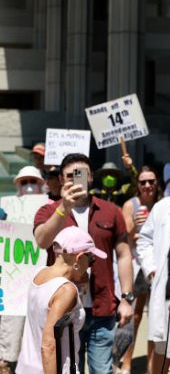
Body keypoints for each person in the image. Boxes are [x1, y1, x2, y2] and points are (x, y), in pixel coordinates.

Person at [33, 153, 134, 374]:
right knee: (69, 369)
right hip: (65, 311)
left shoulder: (111, 211)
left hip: (102, 309)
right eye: (70, 175)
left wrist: (127, 298)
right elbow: (42, 240)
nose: (76, 179)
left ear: (90, 178)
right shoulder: (49, 210)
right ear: (60, 179)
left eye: (82, 174)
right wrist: (64, 208)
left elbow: (124, 254)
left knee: (102, 371)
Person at [16, 226, 107, 374]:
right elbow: (48, 344)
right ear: (79, 257)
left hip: (26, 367)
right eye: (91, 260)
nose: (90, 266)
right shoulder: (66, 290)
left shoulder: (38, 273)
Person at [0, 165, 47, 373]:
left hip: (42, 281)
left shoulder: (51, 207)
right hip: (13, 288)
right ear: (18, 186)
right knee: (9, 348)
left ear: (41, 185)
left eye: (33, 182)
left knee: (39, 341)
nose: (29, 186)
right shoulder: (5, 208)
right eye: (25, 182)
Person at [119, 166, 163, 374]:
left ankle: (150, 366)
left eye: (151, 181)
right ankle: (126, 362)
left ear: (157, 183)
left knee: (156, 316)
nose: (147, 186)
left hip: (157, 266)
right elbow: (123, 238)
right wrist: (136, 228)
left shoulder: (163, 205)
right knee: (134, 316)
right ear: (137, 185)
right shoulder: (131, 205)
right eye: (143, 182)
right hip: (136, 266)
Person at [137, 194, 170, 374]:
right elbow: (144, 240)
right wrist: (151, 269)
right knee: (164, 352)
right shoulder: (164, 206)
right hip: (169, 294)